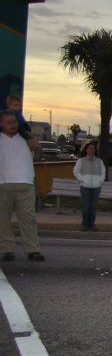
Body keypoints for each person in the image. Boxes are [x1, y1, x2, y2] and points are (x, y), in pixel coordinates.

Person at [0, 109, 43, 262]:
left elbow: (38, 157)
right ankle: (6, 250)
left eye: (15, 122)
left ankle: (33, 250)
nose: (13, 125)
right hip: (3, 185)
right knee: (3, 220)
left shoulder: (25, 138)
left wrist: (37, 147)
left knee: (28, 219)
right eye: (9, 122)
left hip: (25, 185)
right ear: (1, 124)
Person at [73, 140, 106, 231]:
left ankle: (92, 224)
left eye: (93, 149)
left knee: (93, 206)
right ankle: (85, 224)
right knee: (86, 206)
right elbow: (76, 171)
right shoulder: (81, 161)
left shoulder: (99, 161)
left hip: (96, 187)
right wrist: (83, 180)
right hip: (85, 187)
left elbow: (103, 172)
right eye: (90, 148)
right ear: (86, 150)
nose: (92, 150)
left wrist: (100, 181)